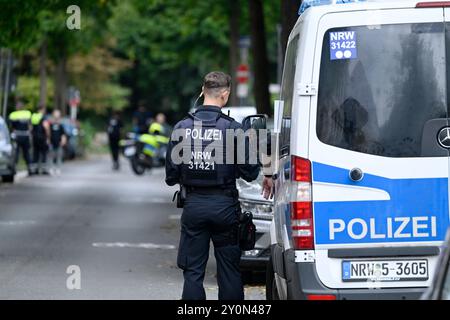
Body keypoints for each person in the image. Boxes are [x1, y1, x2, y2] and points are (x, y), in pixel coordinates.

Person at [165, 71, 260, 300]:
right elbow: (251, 172)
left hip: (194, 206)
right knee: (229, 272)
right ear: (225, 95)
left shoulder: (181, 127)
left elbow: (170, 176)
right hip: (225, 208)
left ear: (203, 91)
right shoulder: (233, 129)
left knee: (193, 273)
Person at [8, 100, 32, 175]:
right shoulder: (27, 113)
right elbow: (30, 125)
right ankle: (28, 168)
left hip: (19, 136)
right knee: (23, 153)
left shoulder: (13, 115)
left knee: (19, 153)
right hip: (23, 136)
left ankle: (16, 168)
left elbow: (11, 127)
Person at [31, 104, 50, 175]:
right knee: (43, 153)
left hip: (35, 137)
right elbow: (46, 127)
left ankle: (35, 170)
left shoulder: (33, 116)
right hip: (42, 137)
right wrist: (48, 137)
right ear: (42, 110)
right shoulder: (43, 117)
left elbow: (31, 127)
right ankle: (44, 170)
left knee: (35, 153)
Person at [48, 110, 67, 176]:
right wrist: (48, 140)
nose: (56, 117)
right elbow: (48, 133)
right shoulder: (50, 124)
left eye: (58, 115)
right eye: (55, 115)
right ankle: (51, 168)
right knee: (51, 156)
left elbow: (63, 134)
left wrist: (63, 140)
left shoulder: (61, 125)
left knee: (59, 156)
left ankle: (58, 169)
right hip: (51, 142)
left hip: (59, 143)